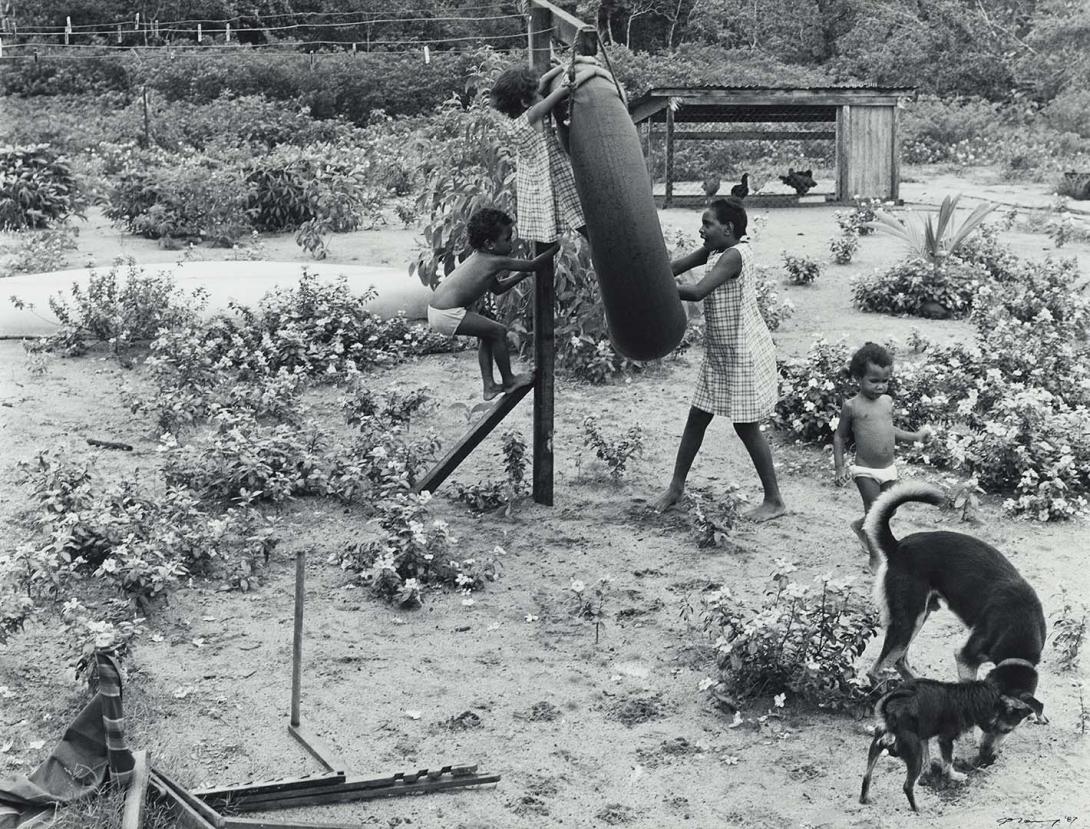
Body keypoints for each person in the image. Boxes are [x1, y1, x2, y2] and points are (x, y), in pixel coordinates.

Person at [653, 197, 787, 522]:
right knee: (696, 418)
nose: (701, 230)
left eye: (707, 223)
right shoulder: (714, 249)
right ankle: (676, 487)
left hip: (742, 352)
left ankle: (774, 500)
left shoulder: (735, 255)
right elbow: (673, 268)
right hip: (720, 351)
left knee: (745, 427)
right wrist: (644, 271)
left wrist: (652, 287)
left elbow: (698, 291)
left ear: (728, 229)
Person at [427, 208, 558, 400]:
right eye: (507, 239)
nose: (511, 243)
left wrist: (520, 275)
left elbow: (497, 288)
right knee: (498, 331)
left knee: (488, 334)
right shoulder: (494, 261)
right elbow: (534, 265)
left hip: (438, 311)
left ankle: (489, 386)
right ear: (489, 244)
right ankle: (509, 381)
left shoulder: (481, 259)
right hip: (447, 313)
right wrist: (554, 248)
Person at [490, 56, 615, 243]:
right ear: (525, 102)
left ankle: (596, 246)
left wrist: (566, 64)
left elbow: (541, 83)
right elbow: (568, 87)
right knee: (581, 218)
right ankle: (606, 246)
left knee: (554, 228)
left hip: (534, 176)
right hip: (554, 174)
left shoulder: (516, 118)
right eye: (536, 93)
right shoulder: (534, 114)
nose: (540, 92)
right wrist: (596, 71)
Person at [833, 342, 933, 567]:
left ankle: (861, 527)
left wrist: (915, 436)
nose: (880, 387)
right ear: (858, 378)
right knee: (875, 511)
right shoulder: (852, 406)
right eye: (874, 381)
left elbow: (890, 430)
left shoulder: (887, 402)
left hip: (889, 468)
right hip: (865, 470)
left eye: (885, 381)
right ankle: (875, 557)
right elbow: (839, 437)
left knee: (890, 510)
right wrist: (840, 466)